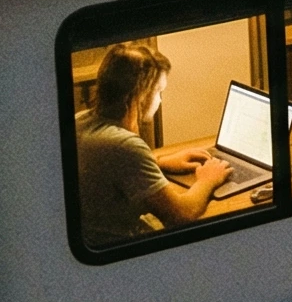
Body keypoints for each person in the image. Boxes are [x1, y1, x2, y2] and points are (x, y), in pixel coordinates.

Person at [76, 41, 228, 246]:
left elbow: (112, 168)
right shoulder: (124, 146)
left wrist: (161, 161)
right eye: (159, 92)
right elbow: (182, 214)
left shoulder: (81, 121)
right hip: (119, 248)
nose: (160, 100)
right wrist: (208, 179)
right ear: (140, 96)